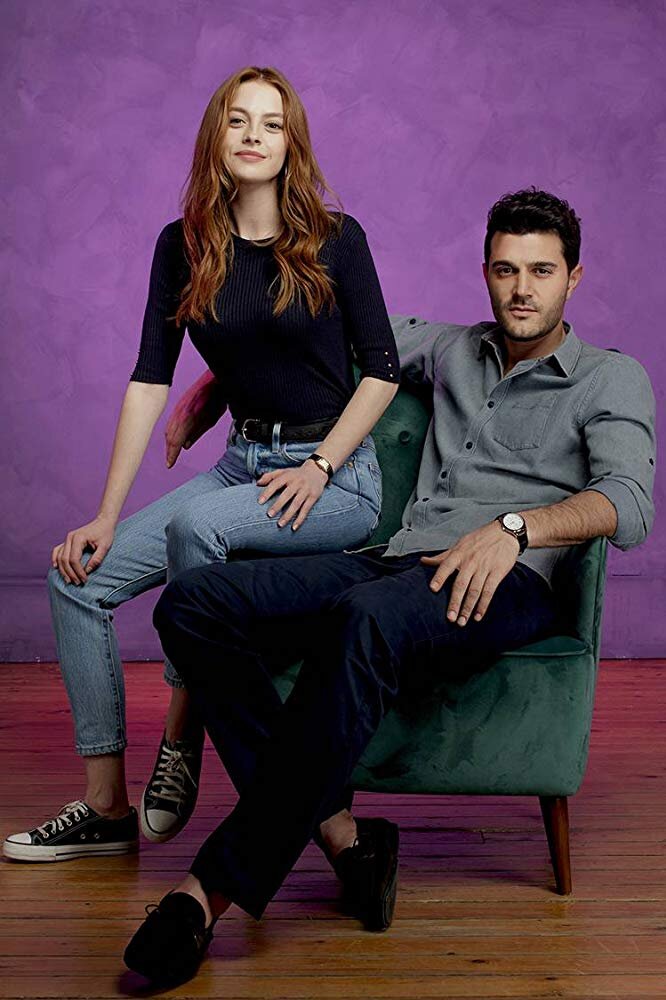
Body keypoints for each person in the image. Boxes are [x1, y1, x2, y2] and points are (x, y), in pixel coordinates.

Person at [122, 188, 655, 985]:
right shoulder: (450, 348)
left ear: (572, 278)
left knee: (363, 618)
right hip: (396, 560)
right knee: (195, 603)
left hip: (504, 581)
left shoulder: (612, 378)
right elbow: (333, 335)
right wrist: (219, 382)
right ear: (486, 271)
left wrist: (515, 529)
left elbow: (631, 505)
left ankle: (207, 893)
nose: (521, 290)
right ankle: (340, 829)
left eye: (541, 272)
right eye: (506, 270)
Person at [2, 66, 400, 861]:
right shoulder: (181, 246)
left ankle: (183, 733)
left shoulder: (335, 237)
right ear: (216, 136)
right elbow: (149, 379)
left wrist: (321, 466)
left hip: (336, 478)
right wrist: (106, 516)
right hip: (242, 465)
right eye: (238, 120)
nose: (254, 136)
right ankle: (105, 806)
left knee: (197, 529)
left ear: (291, 145)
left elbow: (383, 369)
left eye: (272, 124)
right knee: (75, 578)